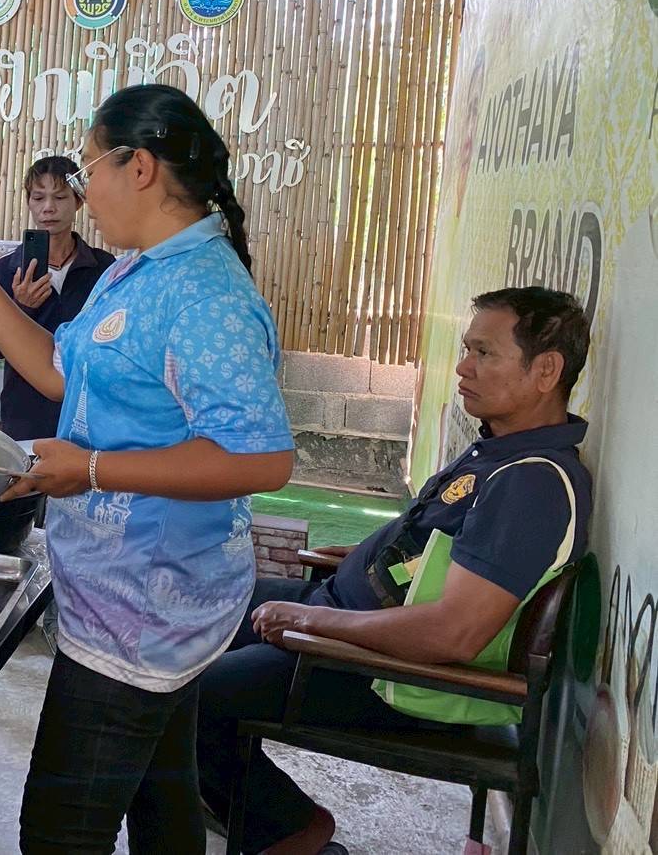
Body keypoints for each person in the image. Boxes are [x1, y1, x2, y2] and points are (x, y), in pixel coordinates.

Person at [0, 83, 295, 854]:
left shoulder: (205, 294)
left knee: (60, 835)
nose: (77, 189)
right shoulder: (134, 272)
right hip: (124, 592)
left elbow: (260, 457)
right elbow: (62, 373)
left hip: (141, 612)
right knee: (163, 803)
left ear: (138, 167)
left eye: (86, 167)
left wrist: (92, 469)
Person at [194, 286, 592, 855]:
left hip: (387, 675)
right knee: (190, 612)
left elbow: (452, 633)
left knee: (193, 697)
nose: (463, 367)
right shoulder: (500, 452)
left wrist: (314, 620)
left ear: (546, 370)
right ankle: (240, 809)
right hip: (348, 618)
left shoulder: (531, 484)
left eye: (484, 353)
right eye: (466, 349)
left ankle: (290, 830)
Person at [0, 155, 114, 442]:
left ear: (78, 201)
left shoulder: (104, 267)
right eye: (38, 198)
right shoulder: (6, 268)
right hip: (26, 410)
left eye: (61, 197)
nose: (48, 208)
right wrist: (21, 308)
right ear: (29, 203)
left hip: (88, 408)